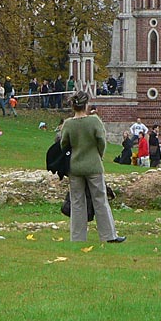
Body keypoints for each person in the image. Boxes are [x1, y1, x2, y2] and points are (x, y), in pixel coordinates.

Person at [59, 91, 126, 244]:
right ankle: (108, 235)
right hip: (93, 165)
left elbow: (64, 144)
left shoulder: (68, 124)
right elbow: (101, 141)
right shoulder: (94, 121)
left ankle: (77, 238)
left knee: (77, 202)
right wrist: (99, 155)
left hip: (75, 167)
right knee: (100, 200)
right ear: (86, 105)